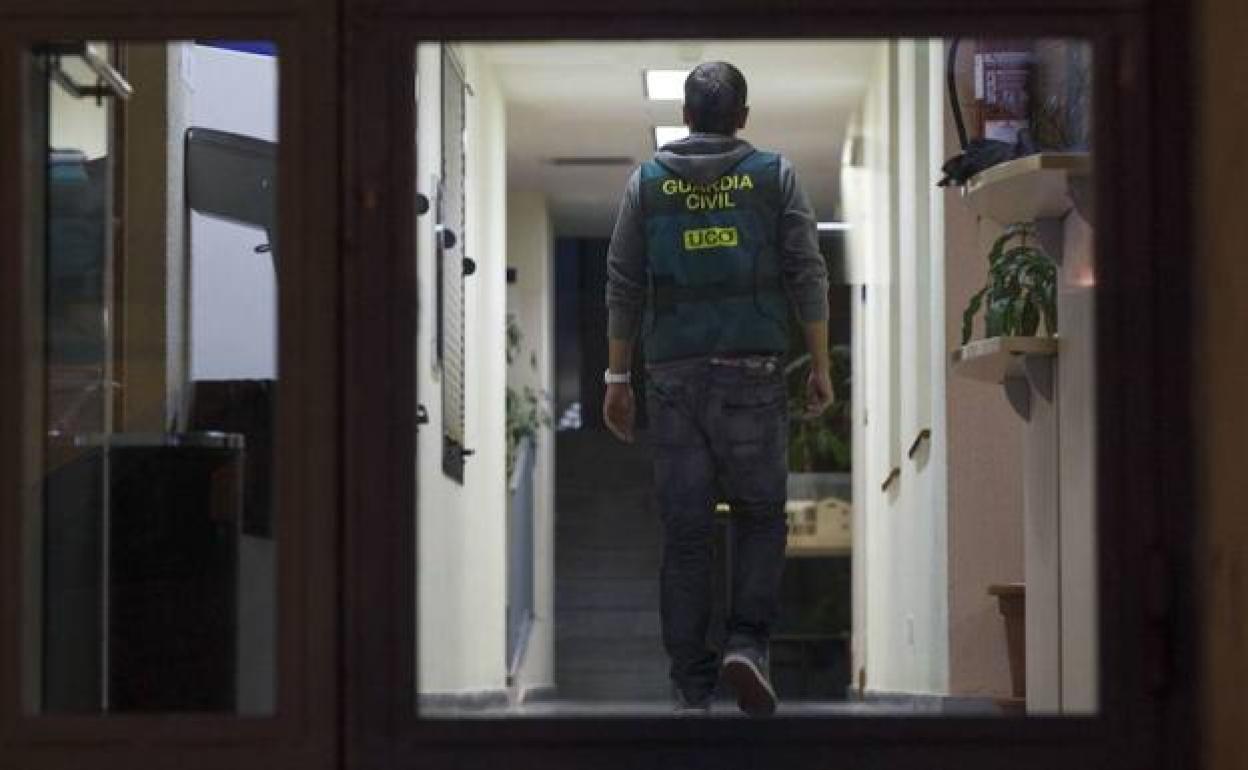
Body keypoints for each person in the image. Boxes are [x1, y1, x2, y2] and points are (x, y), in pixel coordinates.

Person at [602, 61, 834, 717]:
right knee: (759, 518)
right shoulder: (773, 175)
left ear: (684, 117)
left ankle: (692, 687)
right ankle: (747, 645)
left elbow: (623, 284)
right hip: (752, 372)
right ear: (743, 118)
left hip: (673, 376)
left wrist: (617, 377)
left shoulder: (645, 183)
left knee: (686, 536)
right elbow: (807, 272)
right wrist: (820, 364)